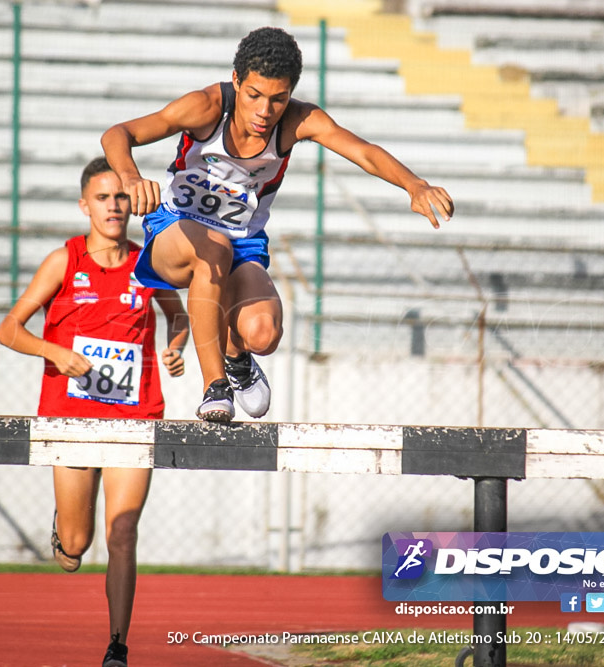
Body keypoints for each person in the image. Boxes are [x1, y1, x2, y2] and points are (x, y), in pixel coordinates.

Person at [101, 26, 455, 422]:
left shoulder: (298, 121)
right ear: (237, 82)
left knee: (263, 334)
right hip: (177, 229)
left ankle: (238, 357)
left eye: (278, 100)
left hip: (242, 241)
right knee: (213, 246)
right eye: (253, 96)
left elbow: (364, 151)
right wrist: (131, 178)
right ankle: (214, 387)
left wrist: (414, 184)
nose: (264, 112)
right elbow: (119, 133)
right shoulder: (205, 107)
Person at [0, 157, 189, 667]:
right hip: (71, 415)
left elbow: (180, 315)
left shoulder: (150, 259)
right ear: (85, 205)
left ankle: (117, 647)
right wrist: (54, 352)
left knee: (122, 531)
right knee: (76, 550)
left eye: (121, 197)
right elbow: (9, 328)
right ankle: (65, 528)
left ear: (132, 204)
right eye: (103, 198)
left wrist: (176, 345)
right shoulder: (65, 261)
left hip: (135, 414)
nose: (113, 206)